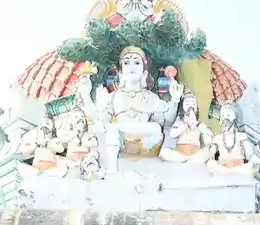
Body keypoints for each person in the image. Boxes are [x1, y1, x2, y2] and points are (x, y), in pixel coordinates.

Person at [77, 45, 183, 173]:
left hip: (146, 143)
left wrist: (175, 99)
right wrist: (87, 96)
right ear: (120, 72)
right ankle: (112, 168)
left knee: (155, 128)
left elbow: (168, 122)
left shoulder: (151, 97)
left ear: (145, 72)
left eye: (137, 62)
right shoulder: (114, 96)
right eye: (126, 62)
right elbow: (100, 123)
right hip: (121, 143)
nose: (131, 66)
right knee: (110, 129)